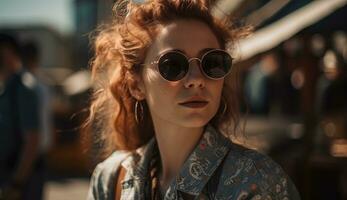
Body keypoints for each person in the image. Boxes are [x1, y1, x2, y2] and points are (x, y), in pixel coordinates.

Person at [86, 0, 301, 199]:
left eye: (212, 63)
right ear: (136, 85)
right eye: (172, 65)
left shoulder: (258, 183)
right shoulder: (111, 178)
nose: (197, 80)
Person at [0, 33, 42, 200]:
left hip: (20, 181)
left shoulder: (23, 89)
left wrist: (17, 183)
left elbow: (32, 140)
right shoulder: (6, 89)